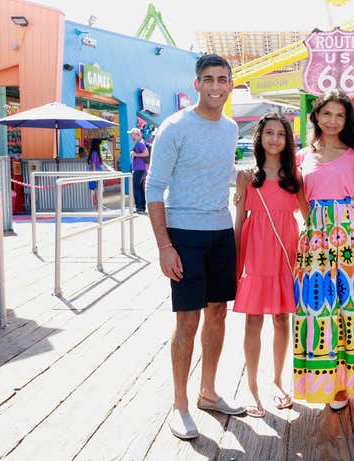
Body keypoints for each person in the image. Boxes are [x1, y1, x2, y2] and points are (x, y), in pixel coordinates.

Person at [145, 54, 244, 440]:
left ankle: (208, 392)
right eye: (209, 79)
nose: (216, 86)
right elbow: (153, 188)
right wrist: (164, 246)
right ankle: (180, 404)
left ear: (230, 83)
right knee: (188, 320)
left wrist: (246, 176)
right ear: (197, 84)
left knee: (218, 312)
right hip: (183, 233)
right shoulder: (174, 127)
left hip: (221, 231)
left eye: (222, 79)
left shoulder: (231, 127)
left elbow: (223, 171)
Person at [293, 89, 354, 409]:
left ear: (348, 120)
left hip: (353, 238)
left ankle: (352, 385)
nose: (333, 120)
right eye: (327, 113)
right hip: (315, 237)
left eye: (340, 115)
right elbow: (301, 199)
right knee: (317, 308)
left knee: (352, 310)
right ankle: (326, 385)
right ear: (316, 116)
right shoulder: (302, 156)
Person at [232, 113, 300, 417]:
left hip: (287, 250)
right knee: (253, 319)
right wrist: (235, 264)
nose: (275, 139)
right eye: (269, 132)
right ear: (259, 137)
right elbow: (239, 223)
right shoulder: (246, 175)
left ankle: (277, 381)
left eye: (281, 134)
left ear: (288, 140)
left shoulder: (295, 177)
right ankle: (251, 386)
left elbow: (310, 215)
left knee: (282, 318)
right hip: (255, 253)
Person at [128, 127, 149, 214]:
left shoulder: (140, 143)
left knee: (136, 188)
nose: (130, 136)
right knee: (139, 188)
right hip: (140, 169)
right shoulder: (140, 142)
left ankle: (139, 207)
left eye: (131, 134)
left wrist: (135, 154)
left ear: (136, 134)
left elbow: (146, 153)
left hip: (139, 169)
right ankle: (141, 207)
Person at [87, 138, 103, 208]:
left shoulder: (95, 152)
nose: (100, 145)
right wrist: (95, 174)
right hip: (96, 171)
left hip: (97, 171)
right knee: (97, 189)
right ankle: (98, 205)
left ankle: (99, 204)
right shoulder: (95, 153)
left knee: (97, 189)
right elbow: (93, 163)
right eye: (100, 144)